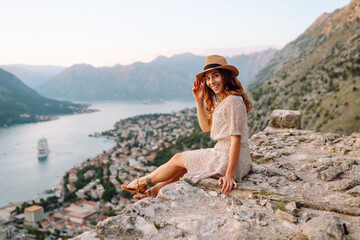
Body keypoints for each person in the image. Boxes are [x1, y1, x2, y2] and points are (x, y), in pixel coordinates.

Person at [122, 55, 253, 200]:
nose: (211, 82)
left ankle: (142, 182)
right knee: (185, 166)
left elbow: (236, 139)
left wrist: (229, 175)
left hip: (228, 161)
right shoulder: (225, 100)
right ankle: (156, 191)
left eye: (215, 76)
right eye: (208, 78)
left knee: (178, 158)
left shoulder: (232, 101)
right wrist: (199, 101)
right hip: (232, 158)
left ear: (226, 77)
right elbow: (205, 127)